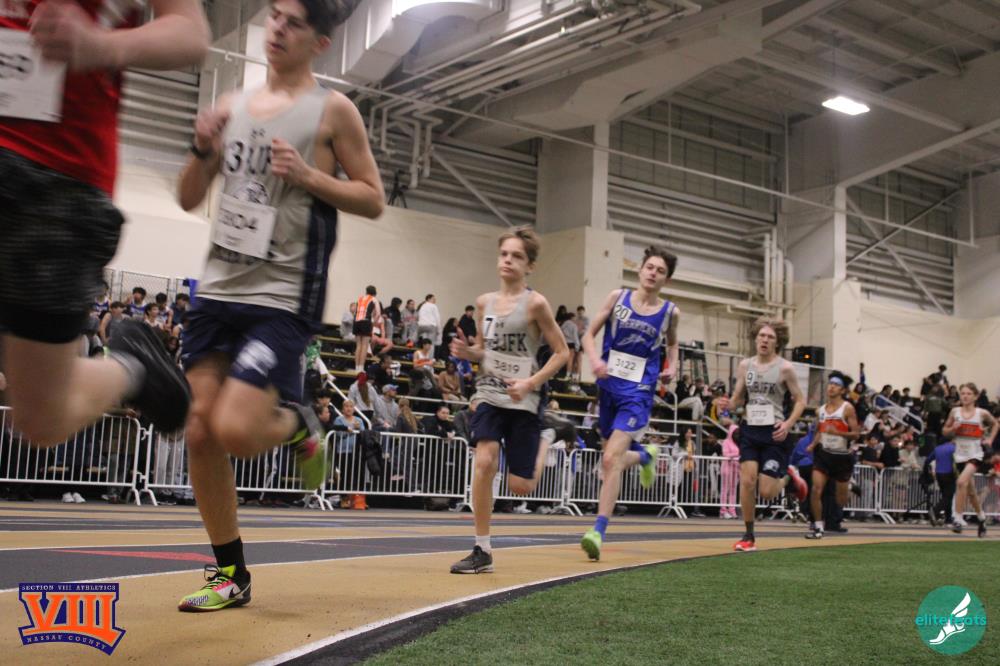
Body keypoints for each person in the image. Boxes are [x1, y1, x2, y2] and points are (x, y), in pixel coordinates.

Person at [173, 0, 383, 612]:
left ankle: (298, 424)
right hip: (219, 288)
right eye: (275, 15)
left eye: (294, 22)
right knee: (199, 430)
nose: (278, 29)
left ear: (319, 42)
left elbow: (373, 198)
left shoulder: (332, 110)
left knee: (237, 430)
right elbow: (188, 197)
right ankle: (230, 575)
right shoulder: (232, 104)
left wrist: (310, 176)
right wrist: (202, 148)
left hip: (283, 295)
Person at [0, 0, 208, 450]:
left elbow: (191, 32)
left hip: (56, 178)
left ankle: (133, 368)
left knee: (40, 418)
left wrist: (100, 44)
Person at [448, 227, 569, 574]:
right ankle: (481, 549)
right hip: (489, 391)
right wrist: (468, 352)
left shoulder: (536, 304)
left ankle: (548, 436)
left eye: (517, 256)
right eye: (504, 254)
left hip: (523, 397)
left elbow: (562, 352)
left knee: (520, 486)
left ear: (530, 265)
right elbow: (484, 352)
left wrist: (531, 382)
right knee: (484, 461)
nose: (508, 260)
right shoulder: (483, 302)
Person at [579, 246, 679, 561]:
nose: (653, 273)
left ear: (666, 279)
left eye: (660, 271)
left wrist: (672, 367)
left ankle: (597, 531)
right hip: (608, 387)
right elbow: (588, 335)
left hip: (638, 392)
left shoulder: (670, 312)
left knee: (610, 460)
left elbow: (673, 344)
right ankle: (645, 455)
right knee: (613, 458)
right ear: (640, 269)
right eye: (650, 267)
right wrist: (594, 360)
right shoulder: (617, 298)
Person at [726, 317, 808, 552]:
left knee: (767, 491)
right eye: (762, 335)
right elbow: (738, 398)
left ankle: (788, 478)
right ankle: (748, 535)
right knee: (747, 481)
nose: (765, 340)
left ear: (777, 342)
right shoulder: (745, 366)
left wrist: (788, 424)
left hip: (774, 432)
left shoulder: (785, 368)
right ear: (755, 338)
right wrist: (727, 404)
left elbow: (800, 400)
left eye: (770, 337)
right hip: (750, 429)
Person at [805, 372, 860, 539]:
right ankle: (818, 526)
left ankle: (848, 487)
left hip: (842, 457)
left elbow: (856, 434)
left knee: (841, 500)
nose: (831, 387)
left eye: (836, 385)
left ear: (842, 390)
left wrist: (838, 433)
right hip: (824, 455)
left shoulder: (847, 408)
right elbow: (821, 431)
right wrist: (813, 444)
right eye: (830, 384)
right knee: (816, 490)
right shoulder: (820, 410)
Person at [942, 383, 997, 536]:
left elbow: (995, 424)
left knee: (961, 482)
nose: (965, 396)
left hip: (975, 455)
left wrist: (990, 440)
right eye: (963, 393)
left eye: (968, 394)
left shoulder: (982, 413)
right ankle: (982, 518)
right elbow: (944, 431)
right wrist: (952, 429)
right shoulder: (955, 411)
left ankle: (958, 519)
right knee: (971, 492)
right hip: (960, 455)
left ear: (975, 396)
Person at [353, 285, 380, 373]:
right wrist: (374, 323)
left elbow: (354, 310)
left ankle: (356, 367)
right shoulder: (374, 299)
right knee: (365, 346)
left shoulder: (360, 298)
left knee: (358, 346)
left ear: (366, 291)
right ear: (374, 293)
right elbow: (378, 313)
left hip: (356, 321)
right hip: (366, 321)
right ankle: (361, 368)